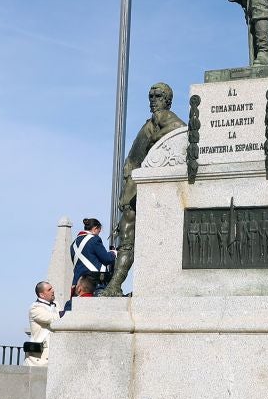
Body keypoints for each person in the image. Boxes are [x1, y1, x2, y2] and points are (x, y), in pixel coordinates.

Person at [104, 83, 185, 296]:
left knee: (128, 240)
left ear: (167, 99)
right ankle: (116, 285)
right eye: (151, 95)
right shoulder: (151, 121)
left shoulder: (163, 116)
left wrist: (156, 140)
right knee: (127, 240)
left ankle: (115, 285)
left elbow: (180, 129)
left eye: (158, 95)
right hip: (133, 188)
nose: (153, 99)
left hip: (142, 187)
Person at [70, 217, 115, 293]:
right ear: (95, 228)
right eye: (99, 231)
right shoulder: (94, 239)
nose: (98, 234)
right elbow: (107, 259)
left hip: (78, 283)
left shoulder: (73, 244)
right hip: (93, 283)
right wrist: (113, 253)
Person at [23, 280, 56, 366]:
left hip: (53, 356)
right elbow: (53, 318)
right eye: (49, 289)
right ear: (42, 295)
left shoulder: (56, 305)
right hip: (37, 360)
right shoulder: (35, 308)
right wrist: (65, 313)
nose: (53, 291)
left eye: (52, 288)